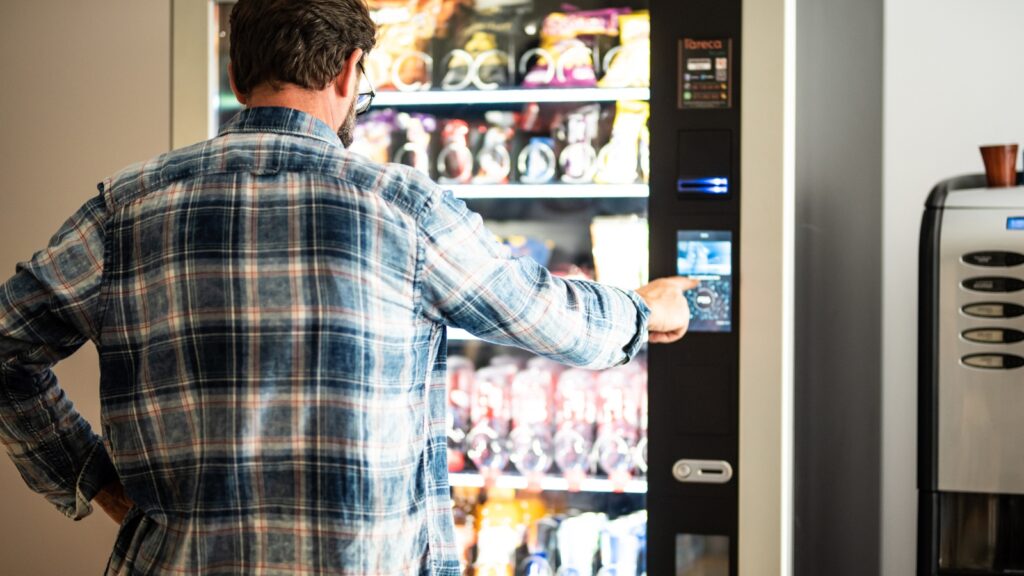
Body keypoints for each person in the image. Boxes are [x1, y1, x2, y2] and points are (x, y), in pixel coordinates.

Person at [0, 0, 694, 573]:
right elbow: (549, 317)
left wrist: (91, 477)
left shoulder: (128, 208)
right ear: (350, 71)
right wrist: (642, 310)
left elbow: (7, 347)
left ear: (239, 77)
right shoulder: (402, 208)